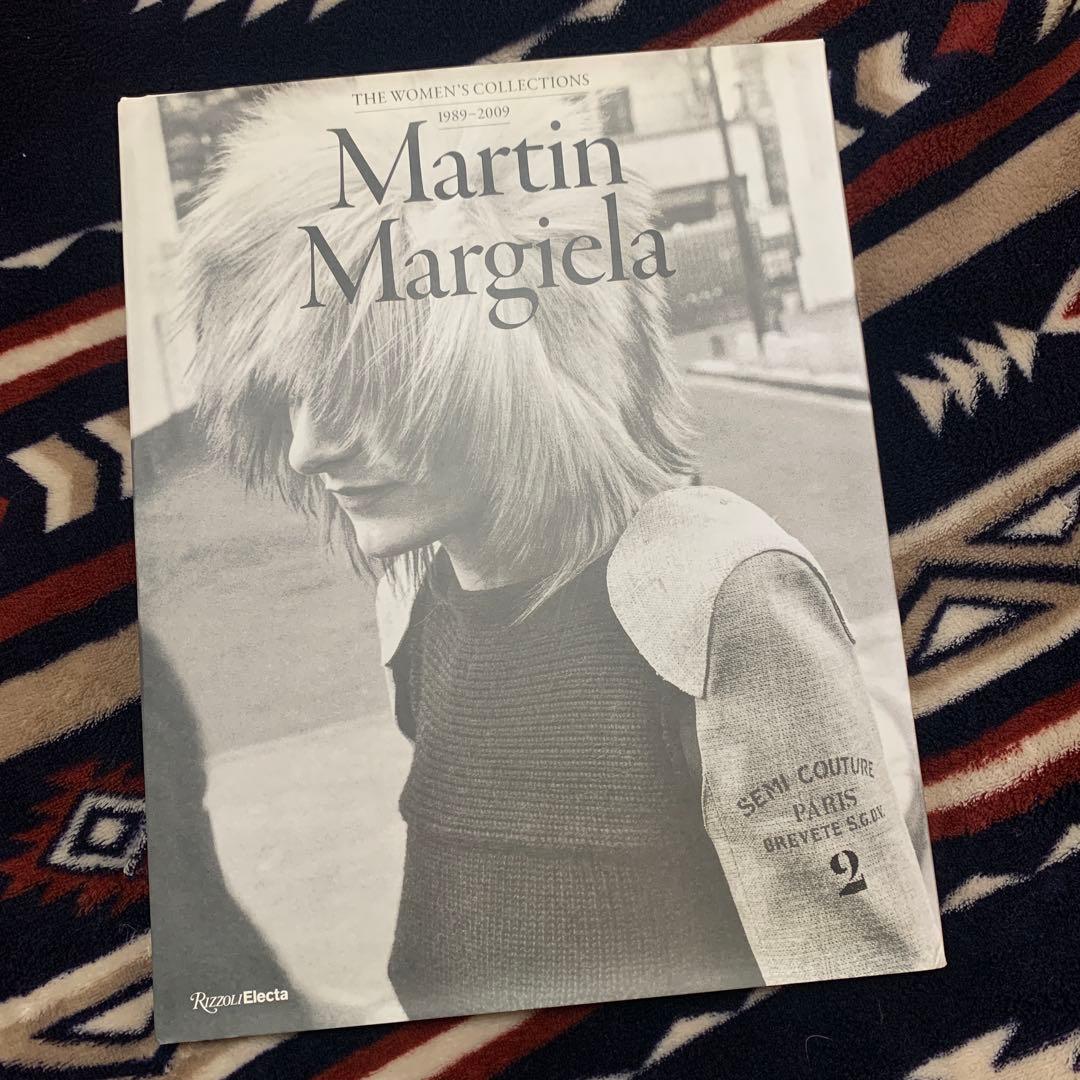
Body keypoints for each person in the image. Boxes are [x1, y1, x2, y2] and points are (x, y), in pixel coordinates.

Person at [178, 84, 942, 1020]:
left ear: (520, 373)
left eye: (359, 385)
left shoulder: (713, 597)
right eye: (289, 395)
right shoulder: (416, 600)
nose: (307, 448)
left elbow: (860, 992)